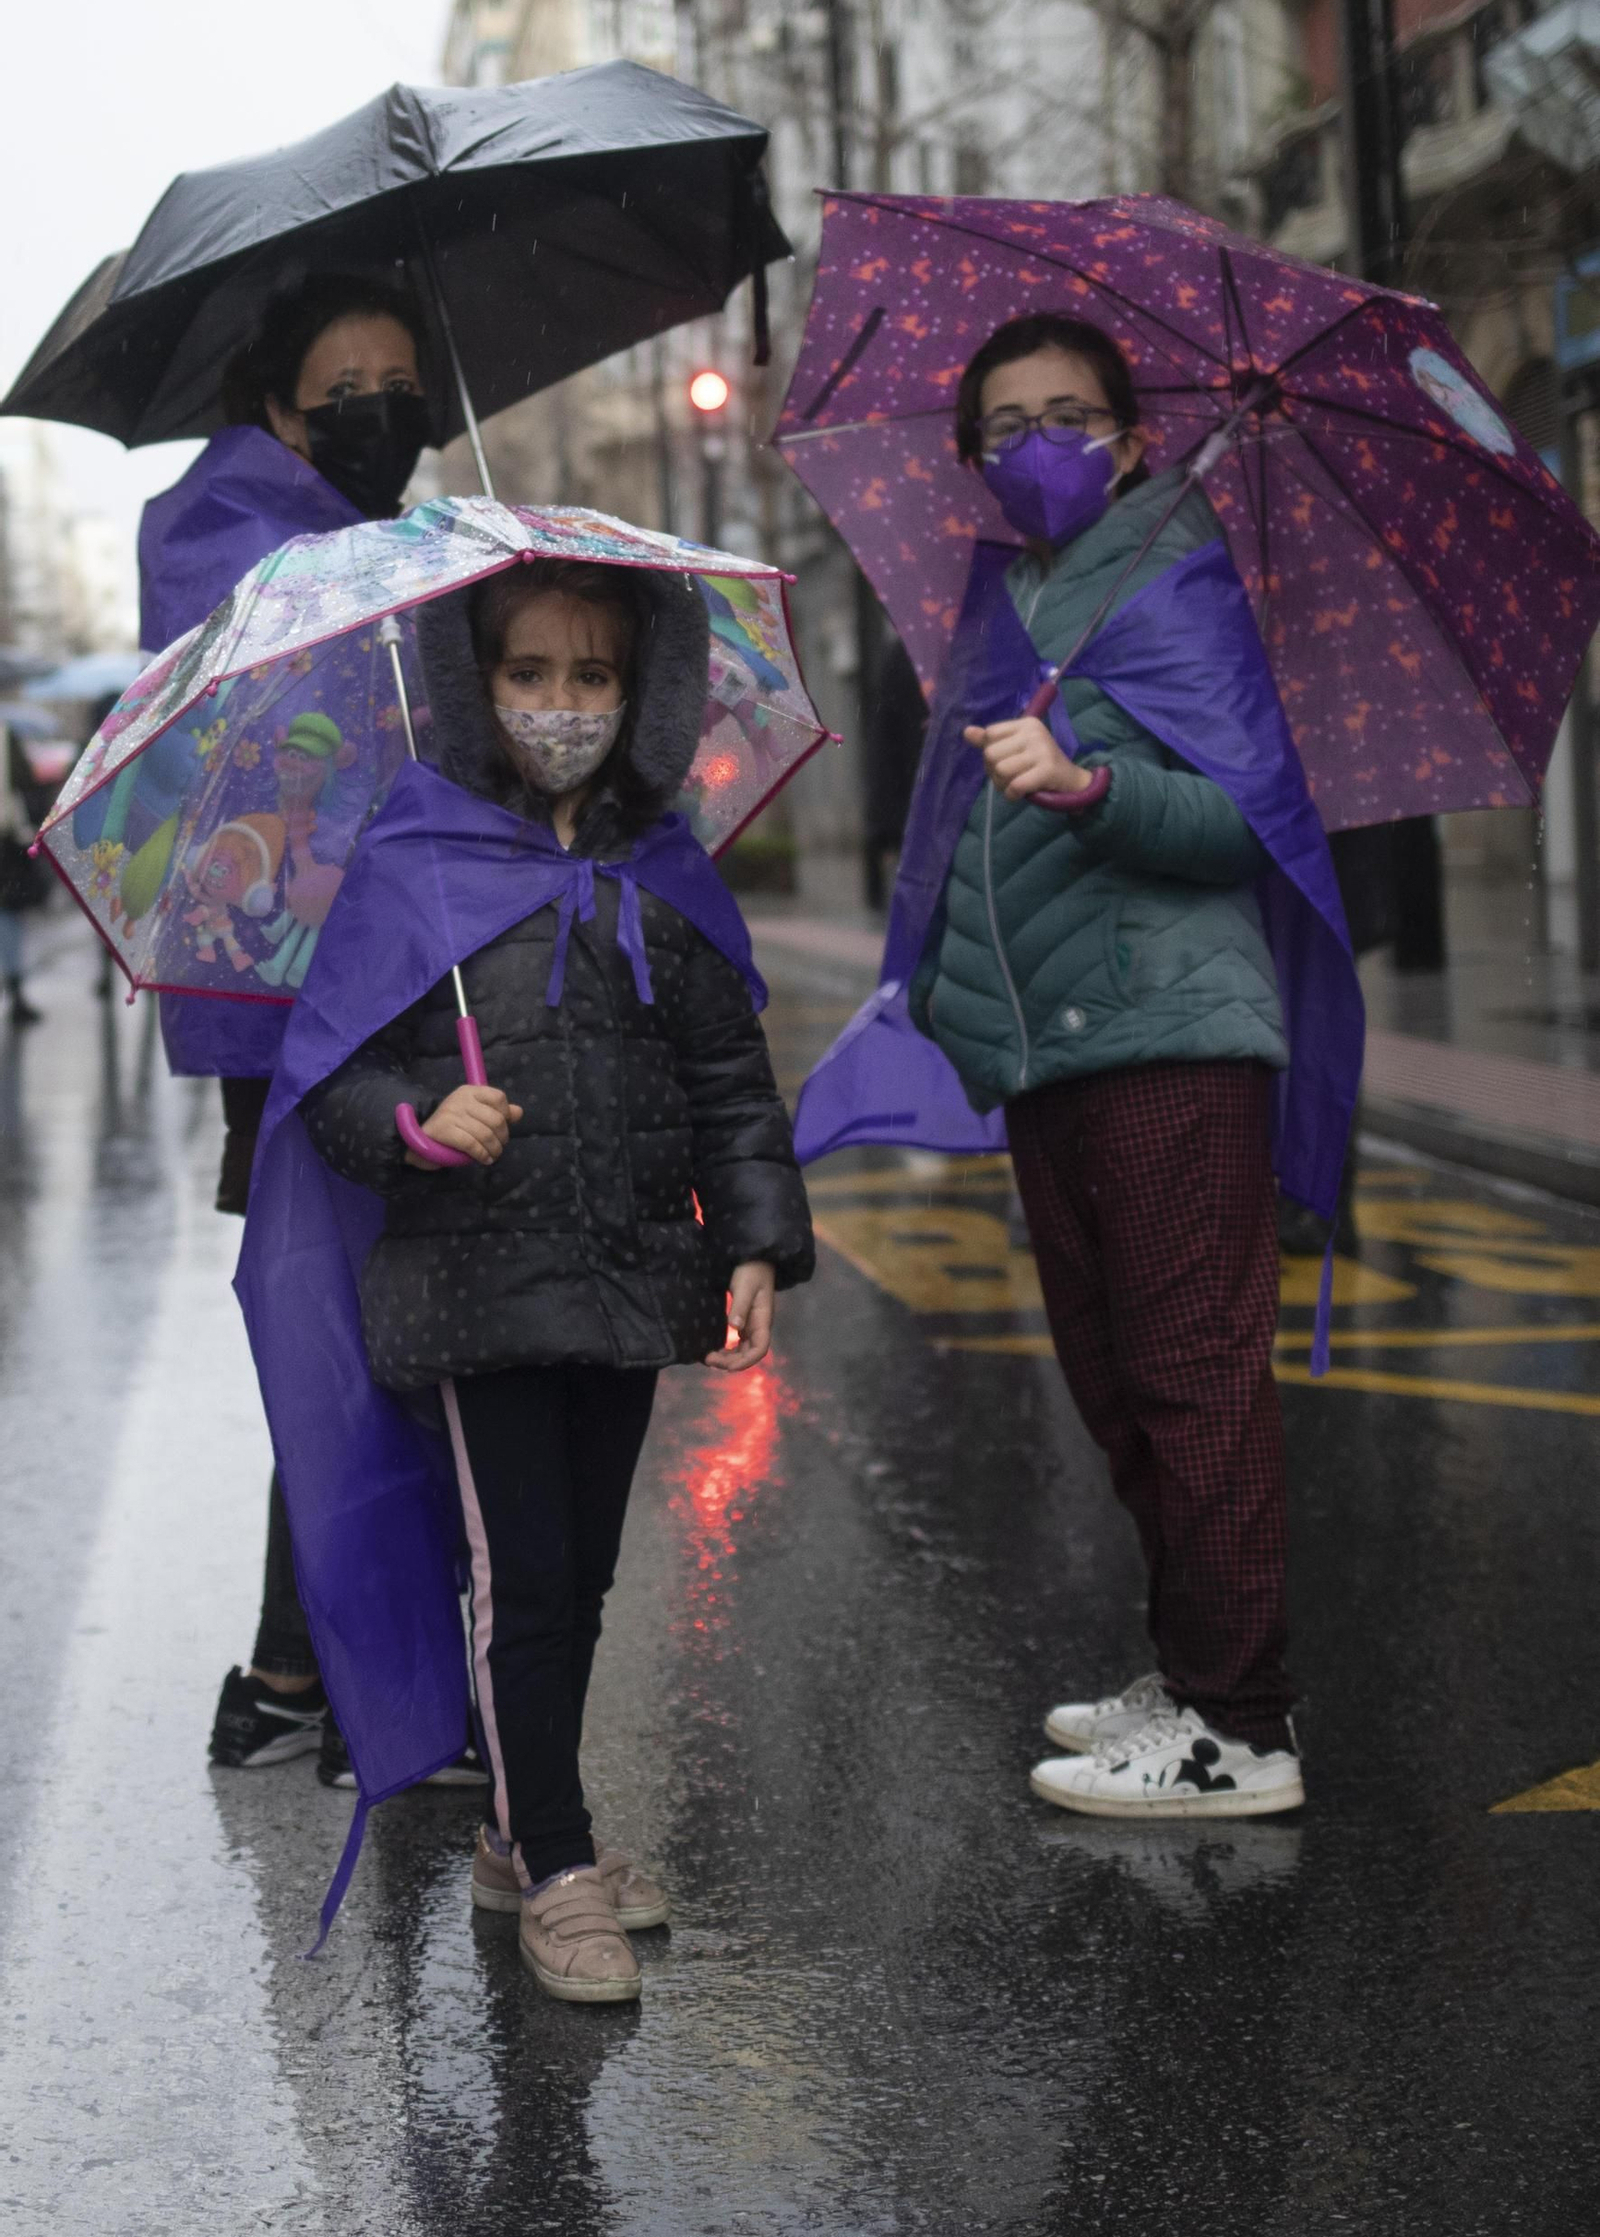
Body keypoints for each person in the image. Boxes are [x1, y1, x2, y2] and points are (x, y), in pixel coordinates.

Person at [800, 312, 1358, 1819]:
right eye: (1007, 424)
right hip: (1057, 1049)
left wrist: (1094, 783)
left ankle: (1240, 1725)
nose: (1040, 445)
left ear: (1130, 436)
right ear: (973, 456)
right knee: (1118, 1384)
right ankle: (1188, 1670)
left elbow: (1252, 824)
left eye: (1069, 415)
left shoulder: (1174, 583)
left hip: (1170, 1034)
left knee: (1192, 1380)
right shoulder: (1023, 600)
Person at [275, 556, 813, 2000]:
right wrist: (415, 1120)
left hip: (634, 1271)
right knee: (524, 1574)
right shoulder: (417, 851)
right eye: (528, 673)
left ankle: (526, 1832)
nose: (561, 705)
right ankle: (558, 1860)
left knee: (582, 1571)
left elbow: (727, 1072)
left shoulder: (664, 861)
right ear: (475, 684)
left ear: (641, 694)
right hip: (474, 1280)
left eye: (593, 675)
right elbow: (329, 1073)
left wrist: (753, 1236)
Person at [129, 273, 453, 1780]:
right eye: (348, 384)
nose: (381, 407)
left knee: (390, 1333)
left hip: (402, 983)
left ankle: (296, 1676)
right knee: (354, 1336)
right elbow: (256, 761)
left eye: (403, 380)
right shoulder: (229, 537)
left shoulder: (388, 540)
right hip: (301, 1008)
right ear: (281, 406)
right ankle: (324, 1682)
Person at [0, 728, 48, 1024]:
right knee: (8, 915)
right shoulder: (5, 733)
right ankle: (16, 990)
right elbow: (27, 781)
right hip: (5, 839)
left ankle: (17, 990)